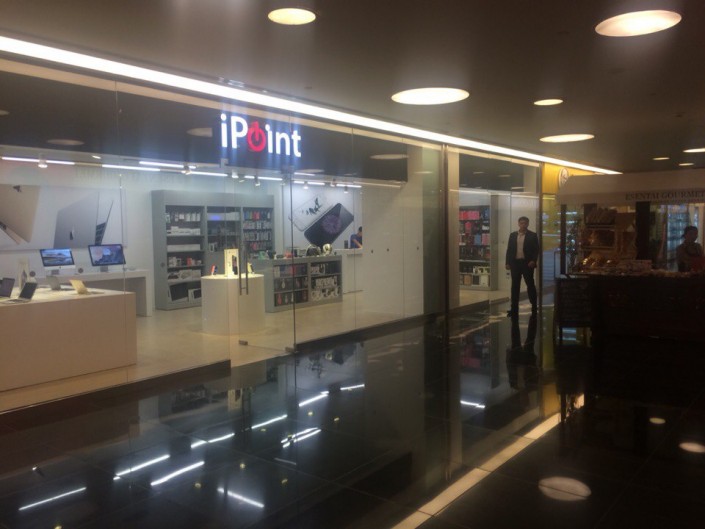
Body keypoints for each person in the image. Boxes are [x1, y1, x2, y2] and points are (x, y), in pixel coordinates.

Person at [505, 216, 539, 316]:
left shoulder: (532, 235)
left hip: (527, 264)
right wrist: (507, 262)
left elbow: (536, 250)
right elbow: (509, 250)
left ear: (528, 224)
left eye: (525, 223)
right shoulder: (512, 235)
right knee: (515, 286)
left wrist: (533, 261)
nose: (523, 225)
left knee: (530, 284)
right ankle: (514, 308)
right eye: (521, 223)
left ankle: (534, 306)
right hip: (515, 263)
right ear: (518, 224)